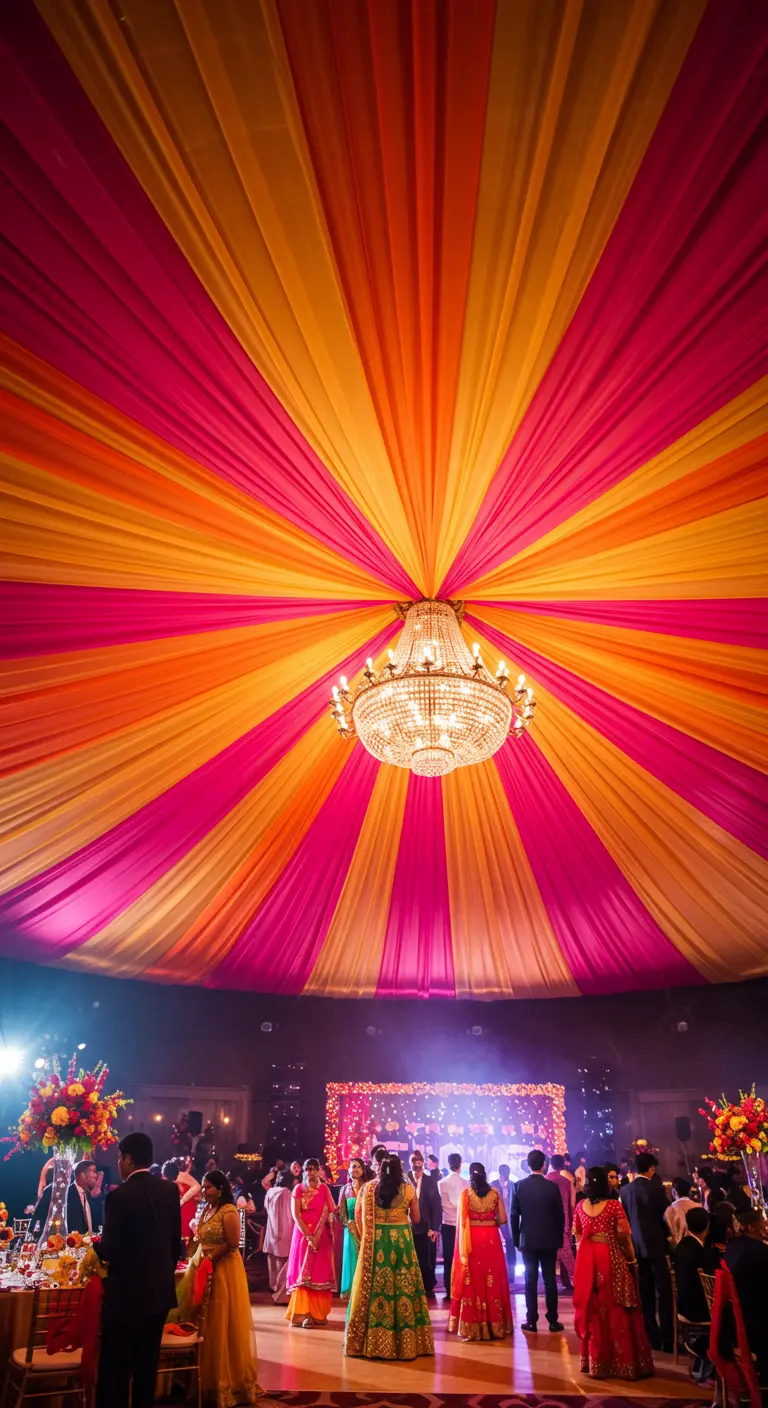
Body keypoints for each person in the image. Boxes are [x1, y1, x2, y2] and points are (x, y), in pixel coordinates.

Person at [96, 1132, 182, 1408]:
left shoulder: (117, 1197)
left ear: (128, 1159)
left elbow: (110, 1250)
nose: (118, 1163)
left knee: (117, 1370)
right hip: (159, 1293)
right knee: (147, 1366)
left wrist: (94, 1247)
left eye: (119, 1158)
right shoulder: (169, 1191)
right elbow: (175, 1245)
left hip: (126, 1297)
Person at [175, 1169, 264, 1405]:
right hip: (202, 1264)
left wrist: (212, 1258)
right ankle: (200, 1378)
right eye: (203, 1187)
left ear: (220, 1189)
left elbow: (233, 1243)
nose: (204, 1191)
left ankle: (225, 1382)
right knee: (200, 1320)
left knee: (221, 1321)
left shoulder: (228, 1210)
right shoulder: (206, 1208)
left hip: (223, 1269)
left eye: (208, 1187)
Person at [344, 1154, 434, 1361]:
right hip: (402, 1243)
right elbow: (417, 1219)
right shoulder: (408, 1189)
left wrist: (366, 1240)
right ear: (399, 1170)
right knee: (403, 1287)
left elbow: (358, 1217)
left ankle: (374, 1342)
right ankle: (405, 1343)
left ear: (379, 1169)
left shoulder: (367, 1189)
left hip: (377, 1242)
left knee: (378, 1287)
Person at [573, 1165, 653, 1380]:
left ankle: (597, 1364)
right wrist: (632, 1260)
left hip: (588, 1261)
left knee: (595, 1308)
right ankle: (625, 1364)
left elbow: (578, 1237)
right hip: (611, 1258)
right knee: (617, 1306)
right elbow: (624, 1237)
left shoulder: (580, 1206)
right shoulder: (614, 1206)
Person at [448, 1161, 513, 1341]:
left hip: (472, 1240)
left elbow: (462, 1223)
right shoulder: (494, 1193)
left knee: (474, 1279)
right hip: (491, 1239)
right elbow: (503, 1219)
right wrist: (491, 1221)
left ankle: (474, 1326)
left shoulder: (465, 1194)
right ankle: (495, 1325)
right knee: (493, 1278)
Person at [620, 1151, 673, 1352]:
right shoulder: (656, 1188)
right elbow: (666, 1216)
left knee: (645, 1292)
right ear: (650, 1169)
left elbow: (626, 1219)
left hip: (637, 1246)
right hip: (658, 1246)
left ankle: (652, 1337)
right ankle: (668, 1339)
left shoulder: (625, 1191)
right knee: (664, 1293)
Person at [510, 1149, 565, 1333]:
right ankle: (553, 1321)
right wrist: (559, 1238)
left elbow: (514, 1216)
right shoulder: (552, 1187)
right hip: (549, 1239)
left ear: (528, 1165)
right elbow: (559, 1216)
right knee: (550, 1280)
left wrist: (516, 1239)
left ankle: (531, 1320)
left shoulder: (519, 1186)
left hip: (528, 1240)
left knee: (530, 1280)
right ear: (544, 1165)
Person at [285, 1158, 336, 1327]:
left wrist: (323, 1231)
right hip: (302, 1236)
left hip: (322, 1237)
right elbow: (296, 1215)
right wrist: (309, 1236)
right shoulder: (298, 1189)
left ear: (319, 1171)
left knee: (319, 1273)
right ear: (304, 1171)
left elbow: (331, 1210)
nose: (312, 1172)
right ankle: (303, 1314)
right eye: (308, 1169)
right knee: (303, 1274)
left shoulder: (324, 1189)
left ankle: (318, 1313)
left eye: (314, 1169)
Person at [724, 1208, 768, 1384]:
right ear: (751, 1228)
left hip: (733, 1316)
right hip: (754, 1321)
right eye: (763, 1223)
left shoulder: (733, 1245)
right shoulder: (759, 1251)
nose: (766, 1225)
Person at [31, 1157, 98, 1237]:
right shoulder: (56, 1192)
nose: (96, 1175)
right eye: (94, 1171)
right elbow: (38, 1219)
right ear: (83, 1175)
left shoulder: (90, 1197)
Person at [407, 1150, 441, 1296]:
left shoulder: (430, 1180)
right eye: (414, 1163)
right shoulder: (404, 1179)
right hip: (407, 1225)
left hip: (425, 1226)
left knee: (426, 1257)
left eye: (419, 1163)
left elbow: (436, 1205)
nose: (417, 1168)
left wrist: (434, 1227)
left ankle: (427, 1286)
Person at [338, 1157, 371, 1296]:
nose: (355, 1169)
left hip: (367, 1229)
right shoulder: (345, 1189)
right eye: (352, 1167)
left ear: (363, 1170)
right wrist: (349, 1226)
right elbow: (342, 1213)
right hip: (350, 1230)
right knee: (351, 1259)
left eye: (358, 1166)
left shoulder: (368, 1188)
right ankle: (352, 1291)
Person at [438, 1152, 469, 1300]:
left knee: (449, 1258)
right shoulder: (466, 1183)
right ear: (460, 1164)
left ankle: (449, 1289)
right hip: (463, 1224)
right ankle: (464, 1288)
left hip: (447, 1224)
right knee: (464, 1256)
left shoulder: (441, 1183)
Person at [263, 1168, 294, 1304]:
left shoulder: (270, 1192)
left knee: (273, 1264)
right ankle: (281, 1293)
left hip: (271, 1232)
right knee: (284, 1263)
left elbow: (266, 1208)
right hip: (285, 1231)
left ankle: (275, 1289)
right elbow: (290, 1213)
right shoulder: (287, 1193)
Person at [546, 1154, 575, 1290]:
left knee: (550, 1253)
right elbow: (571, 1204)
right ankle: (574, 1280)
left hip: (548, 1222)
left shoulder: (546, 1180)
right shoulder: (566, 1182)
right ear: (563, 1165)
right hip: (563, 1220)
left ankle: (551, 1282)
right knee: (567, 1252)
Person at [491, 1163, 516, 1273]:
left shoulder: (513, 1185)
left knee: (510, 1242)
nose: (504, 1176)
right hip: (496, 1217)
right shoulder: (493, 1185)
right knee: (497, 1243)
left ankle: (511, 1269)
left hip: (509, 1218)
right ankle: (497, 1268)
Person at [664, 1176, 698, 1244]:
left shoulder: (669, 1210)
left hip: (678, 1246)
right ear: (689, 1191)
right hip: (698, 1244)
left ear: (674, 1191)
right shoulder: (698, 1206)